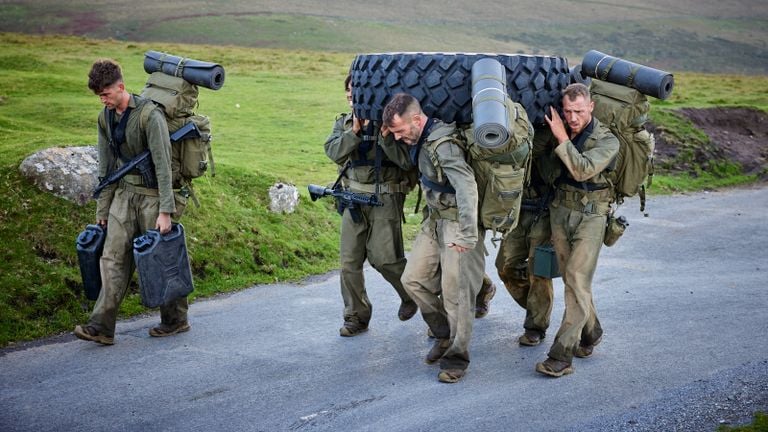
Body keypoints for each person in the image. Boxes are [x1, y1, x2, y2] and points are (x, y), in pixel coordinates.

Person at [74, 59, 189, 345]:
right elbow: (106, 167)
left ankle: (175, 320)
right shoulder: (105, 118)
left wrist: (166, 211)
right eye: (99, 95)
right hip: (123, 197)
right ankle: (101, 326)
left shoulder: (150, 116)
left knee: (160, 259)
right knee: (112, 258)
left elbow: (163, 165)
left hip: (153, 199)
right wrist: (103, 209)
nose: (103, 99)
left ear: (121, 87)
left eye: (106, 93)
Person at [383, 93, 485, 384]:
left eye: (401, 131)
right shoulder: (419, 139)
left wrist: (468, 233)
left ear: (417, 119)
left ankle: (457, 357)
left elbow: (466, 186)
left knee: (456, 293)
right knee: (412, 279)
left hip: (456, 222)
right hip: (436, 219)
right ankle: (442, 334)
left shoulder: (443, 144)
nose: (399, 137)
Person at [324, 75, 418, 337]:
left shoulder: (390, 123)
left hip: (385, 199)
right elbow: (333, 152)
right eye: (350, 92)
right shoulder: (343, 122)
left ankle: (413, 295)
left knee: (386, 259)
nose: (353, 96)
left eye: (359, 91)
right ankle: (356, 316)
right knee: (349, 263)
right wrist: (354, 132)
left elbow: (407, 162)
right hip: (353, 200)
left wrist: (386, 137)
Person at [535, 83, 619, 377]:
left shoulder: (607, 140)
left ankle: (561, 356)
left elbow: (582, 170)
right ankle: (591, 331)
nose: (572, 118)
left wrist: (560, 137)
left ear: (591, 107)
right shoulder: (561, 132)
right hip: (560, 212)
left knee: (575, 278)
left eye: (579, 111)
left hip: (592, 215)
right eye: (568, 112)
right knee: (574, 281)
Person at [495, 127, 558, 346]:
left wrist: (544, 137)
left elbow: (553, 171)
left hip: (546, 209)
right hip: (519, 208)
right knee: (505, 266)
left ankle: (536, 326)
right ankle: (534, 306)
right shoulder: (515, 123)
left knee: (539, 270)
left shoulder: (555, 129)